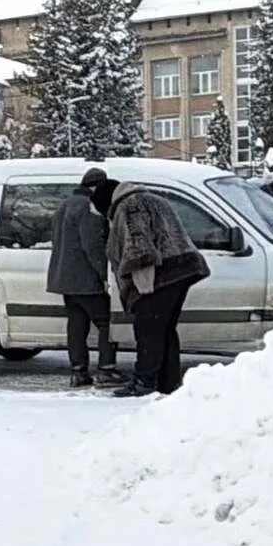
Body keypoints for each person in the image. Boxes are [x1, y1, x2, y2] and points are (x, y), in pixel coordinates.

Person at [105, 181, 210, 398]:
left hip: (160, 275)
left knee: (148, 330)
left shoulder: (129, 206)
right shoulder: (156, 199)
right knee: (165, 329)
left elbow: (139, 248)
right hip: (184, 269)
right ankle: (168, 382)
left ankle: (144, 381)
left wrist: (143, 287)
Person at [50, 169, 123, 388]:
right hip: (87, 279)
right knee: (107, 324)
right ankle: (106, 370)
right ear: (96, 187)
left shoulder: (64, 205)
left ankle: (78, 371)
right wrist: (106, 274)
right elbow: (93, 244)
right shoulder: (89, 207)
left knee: (77, 326)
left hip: (65, 279)